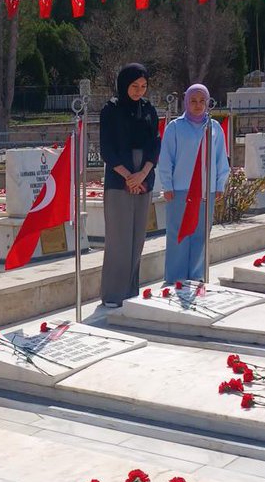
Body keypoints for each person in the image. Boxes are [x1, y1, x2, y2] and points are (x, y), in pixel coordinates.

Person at [98, 63, 159, 306]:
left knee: (137, 238)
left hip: (144, 175)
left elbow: (155, 144)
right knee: (119, 239)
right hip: (119, 177)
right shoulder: (111, 110)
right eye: (134, 86)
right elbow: (107, 149)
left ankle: (131, 291)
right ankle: (113, 294)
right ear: (124, 84)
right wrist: (128, 176)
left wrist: (142, 173)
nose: (139, 91)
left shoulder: (148, 109)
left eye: (143, 86)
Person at [157, 83, 230, 285]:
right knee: (179, 234)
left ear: (208, 102)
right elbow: (166, 158)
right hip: (180, 189)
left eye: (202, 101)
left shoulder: (214, 128)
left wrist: (220, 184)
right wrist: (167, 185)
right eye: (193, 101)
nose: (198, 105)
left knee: (200, 234)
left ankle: (196, 276)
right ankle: (175, 278)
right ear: (186, 102)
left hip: (206, 190)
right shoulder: (175, 127)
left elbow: (221, 159)